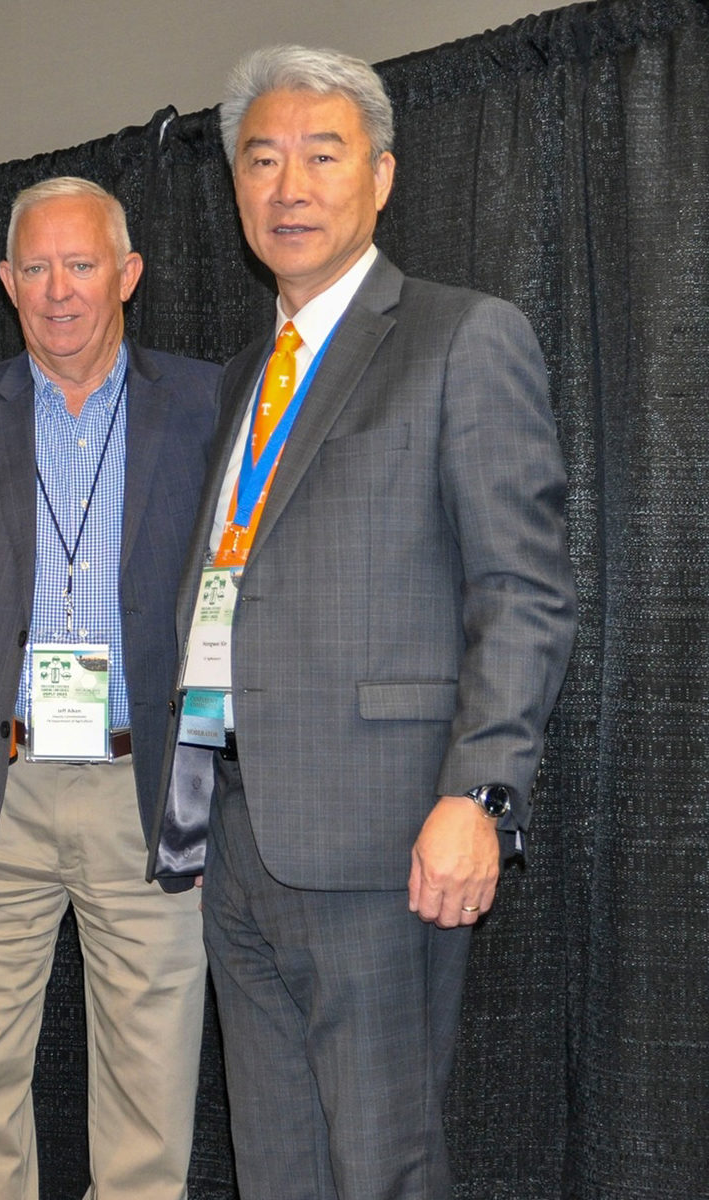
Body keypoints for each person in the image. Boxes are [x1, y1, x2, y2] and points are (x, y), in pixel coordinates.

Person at [163, 46, 575, 1198]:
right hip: (234, 839)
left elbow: (522, 588)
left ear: (381, 177)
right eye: (260, 160)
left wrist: (479, 793)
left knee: (380, 1162)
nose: (286, 185)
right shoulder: (244, 372)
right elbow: (224, 589)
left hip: (384, 833)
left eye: (320, 154)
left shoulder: (459, 336)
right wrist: (189, 806)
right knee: (276, 1163)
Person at [0, 178, 220, 1200]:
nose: (57, 290)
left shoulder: (207, 405)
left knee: (149, 1091)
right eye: (34, 267)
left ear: (128, 275)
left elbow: (237, 611)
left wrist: (207, 796)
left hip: (143, 788)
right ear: (4, 282)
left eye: (80, 263)